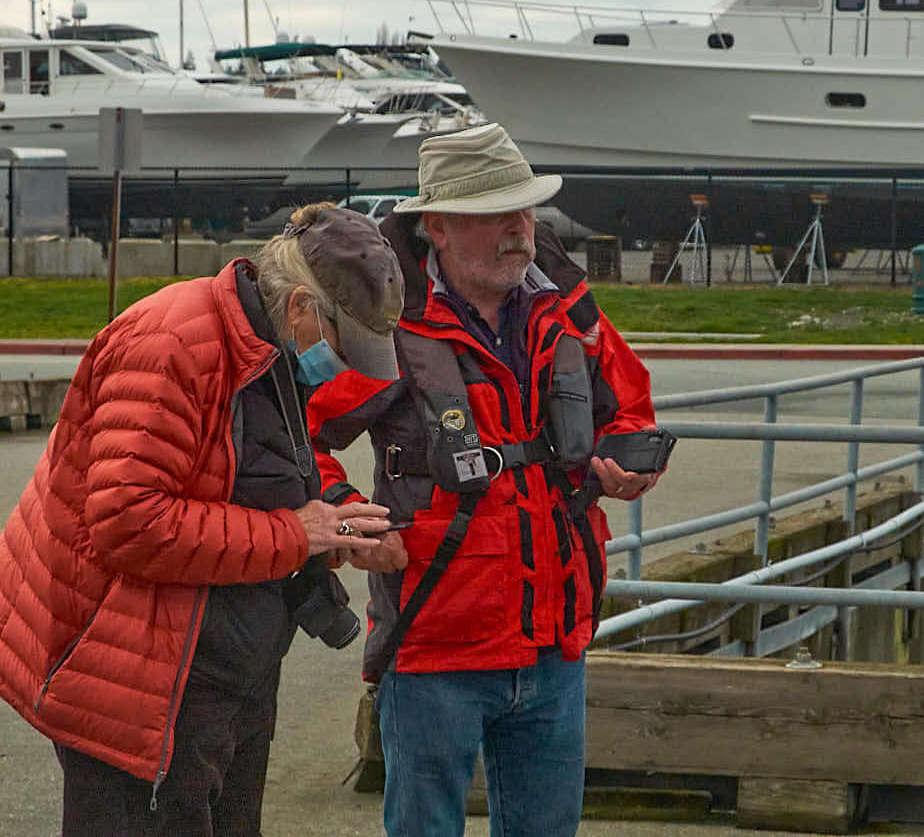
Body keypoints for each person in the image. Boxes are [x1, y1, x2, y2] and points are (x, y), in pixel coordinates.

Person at [0, 203, 409, 836]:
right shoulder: (171, 342)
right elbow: (129, 522)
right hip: (136, 677)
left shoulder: (263, 340)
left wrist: (334, 531)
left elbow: (249, 480)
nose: (347, 366)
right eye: (343, 344)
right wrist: (295, 534)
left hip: (213, 666)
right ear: (301, 305)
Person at [307, 123, 665, 836]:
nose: (517, 231)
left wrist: (626, 465)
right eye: (494, 214)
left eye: (524, 211)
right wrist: (346, 514)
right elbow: (291, 439)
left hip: (554, 640)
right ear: (434, 227)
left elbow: (629, 411)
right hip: (437, 639)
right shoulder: (386, 325)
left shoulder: (567, 310)